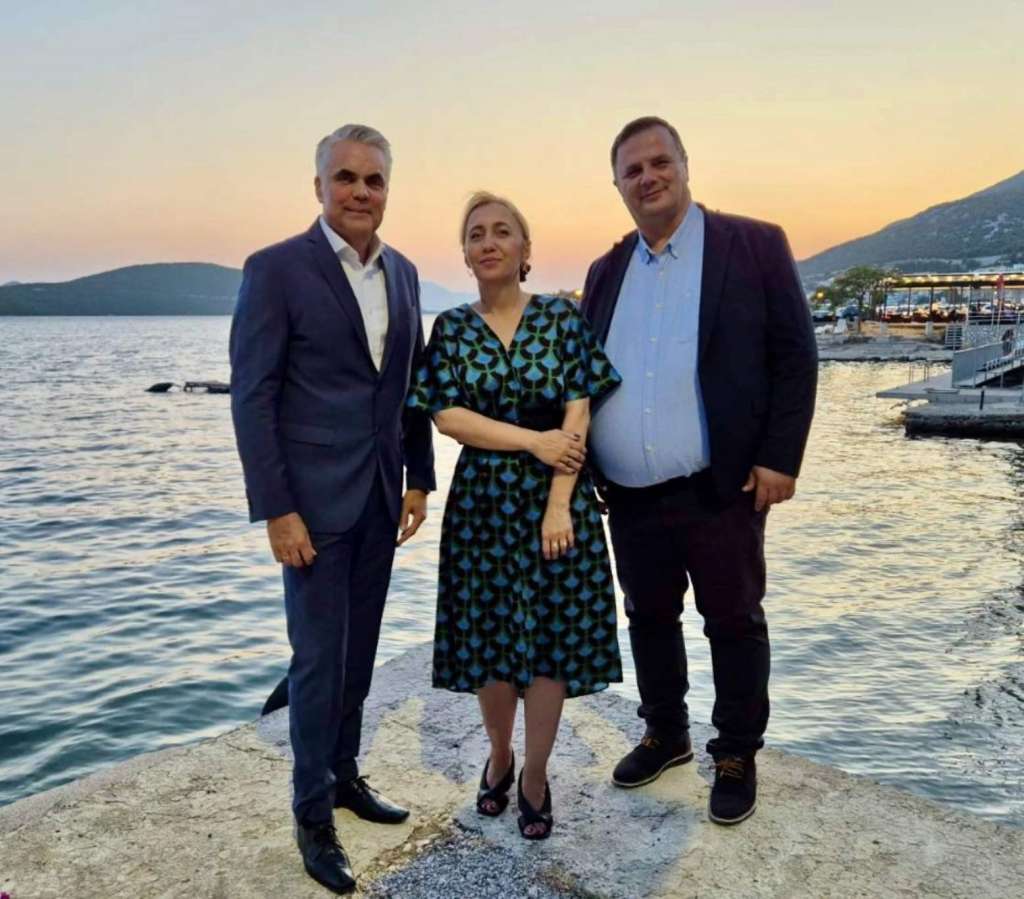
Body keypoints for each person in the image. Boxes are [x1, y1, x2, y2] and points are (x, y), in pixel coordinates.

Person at [582, 116, 817, 826]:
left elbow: (795, 356)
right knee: (648, 615)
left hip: (722, 486)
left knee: (734, 620)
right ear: (617, 185)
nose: (648, 178)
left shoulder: (753, 244)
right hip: (628, 493)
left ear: (685, 165)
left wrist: (779, 457)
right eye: (632, 170)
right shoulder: (606, 270)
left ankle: (736, 753)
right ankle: (666, 733)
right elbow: (585, 375)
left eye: (660, 162)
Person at [229, 123, 435, 895]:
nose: (359, 191)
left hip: (381, 495)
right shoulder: (276, 269)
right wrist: (276, 508)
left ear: (388, 189)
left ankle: (345, 774)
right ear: (319, 186)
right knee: (317, 660)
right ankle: (311, 814)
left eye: (373, 179)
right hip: (311, 508)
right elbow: (253, 396)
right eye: (345, 177)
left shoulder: (404, 273)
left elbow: (408, 385)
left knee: (359, 652)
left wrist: (419, 477)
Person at [407, 191, 622, 840]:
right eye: (476, 234)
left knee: (550, 641)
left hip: (558, 498)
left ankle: (535, 773)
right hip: (483, 507)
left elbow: (578, 410)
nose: (489, 242)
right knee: (491, 641)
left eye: (503, 231)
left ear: (525, 248)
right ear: (465, 253)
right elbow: (448, 416)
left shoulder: (560, 317)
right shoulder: (451, 328)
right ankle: (498, 755)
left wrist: (558, 504)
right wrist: (533, 441)